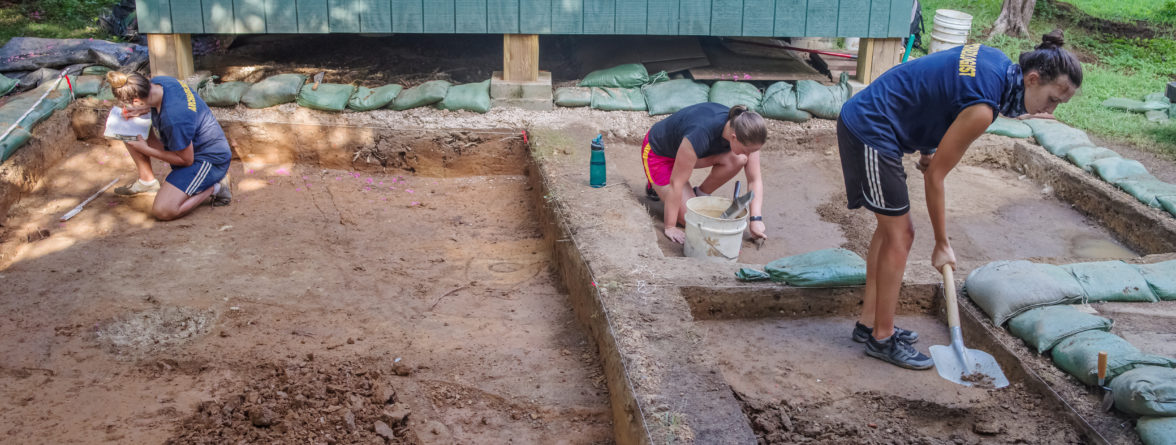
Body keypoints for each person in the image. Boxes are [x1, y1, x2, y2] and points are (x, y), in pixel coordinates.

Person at [838, 30, 1082, 369]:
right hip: (871, 127)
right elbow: (936, 177)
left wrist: (928, 148)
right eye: (1052, 99)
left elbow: (936, 89)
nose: (1050, 111)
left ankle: (869, 324)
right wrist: (942, 243)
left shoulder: (995, 60)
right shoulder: (983, 108)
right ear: (1033, 78)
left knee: (890, 229)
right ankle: (882, 338)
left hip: (883, 123)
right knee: (902, 234)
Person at [106, 71, 232, 220]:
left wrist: (146, 150)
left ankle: (216, 187)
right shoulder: (162, 82)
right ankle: (147, 182)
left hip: (208, 159)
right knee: (128, 130)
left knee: (163, 210)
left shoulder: (174, 119)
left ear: (136, 100)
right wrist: (141, 110)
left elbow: (186, 160)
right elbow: (168, 101)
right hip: (192, 145)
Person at [642, 103, 768, 244]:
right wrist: (670, 227)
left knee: (739, 158)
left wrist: (756, 219)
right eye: (746, 149)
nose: (750, 155)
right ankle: (654, 184)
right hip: (660, 154)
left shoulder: (747, 132)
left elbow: (754, 180)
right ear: (734, 137)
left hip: (687, 152)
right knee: (689, 218)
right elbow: (676, 183)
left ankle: (700, 193)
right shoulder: (699, 134)